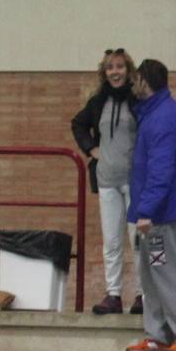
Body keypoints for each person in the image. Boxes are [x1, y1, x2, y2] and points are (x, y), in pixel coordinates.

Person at [123, 59, 176, 351]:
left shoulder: (163, 119)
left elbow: (161, 170)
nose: (133, 85)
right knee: (151, 273)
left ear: (145, 81)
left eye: (136, 80)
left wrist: (147, 212)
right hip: (157, 215)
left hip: (162, 217)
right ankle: (155, 335)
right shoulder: (157, 114)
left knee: (167, 272)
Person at [71, 48, 139, 315]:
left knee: (138, 241)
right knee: (111, 241)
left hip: (134, 181)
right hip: (107, 180)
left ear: (128, 70)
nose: (115, 72)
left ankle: (143, 296)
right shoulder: (97, 102)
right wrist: (91, 149)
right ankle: (113, 295)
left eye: (120, 67)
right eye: (110, 67)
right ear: (104, 72)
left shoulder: (137, 100)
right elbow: (78, 124)